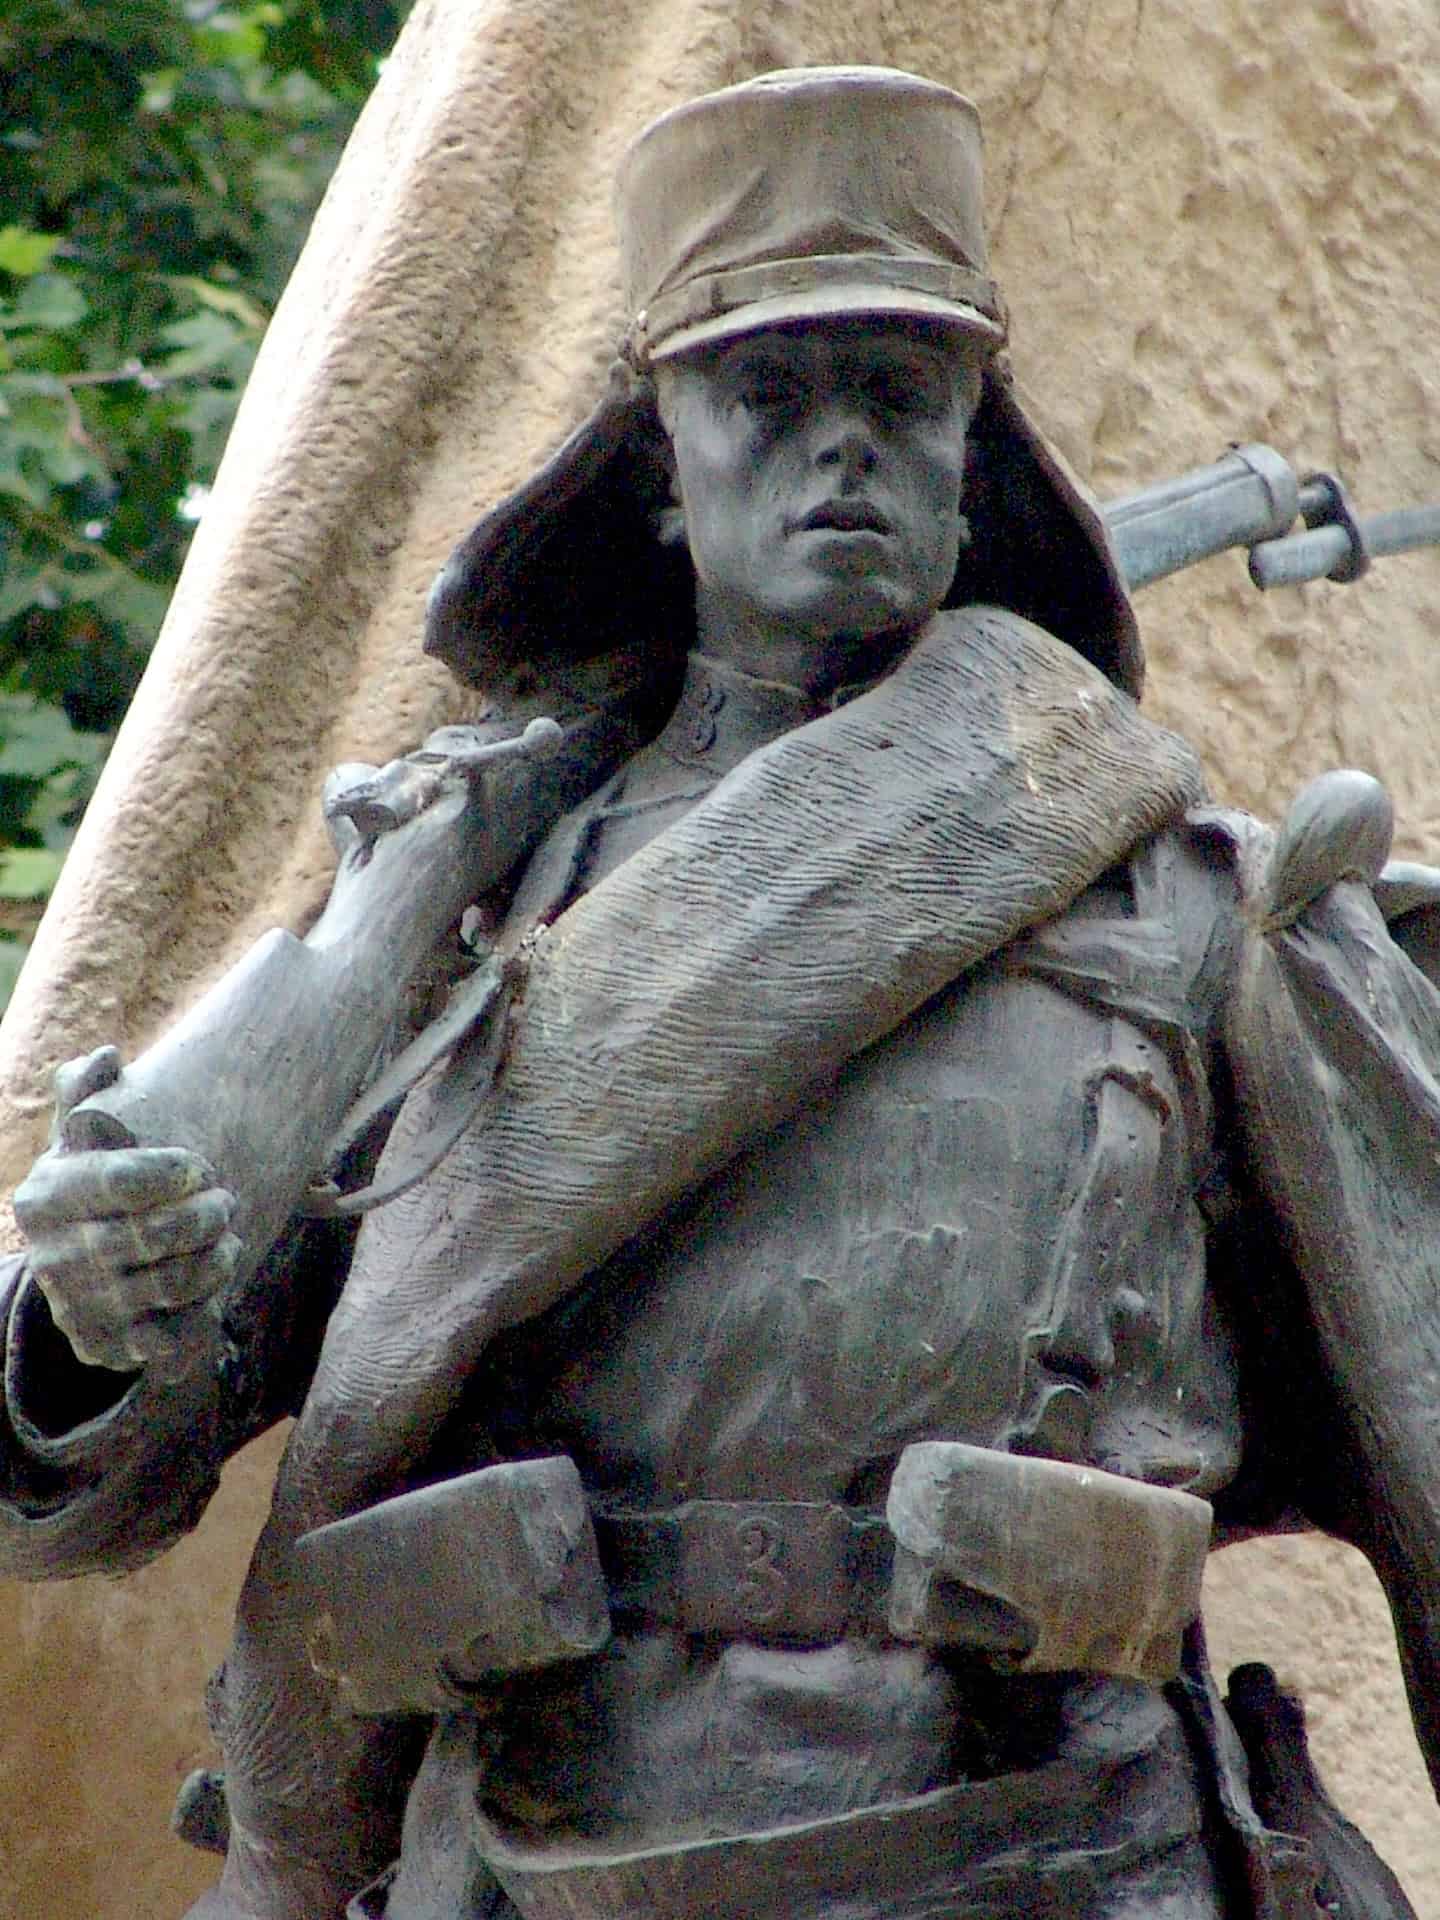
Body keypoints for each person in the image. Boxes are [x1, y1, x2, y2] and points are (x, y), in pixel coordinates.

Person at [0, 66, 1435, 1920]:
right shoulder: (446, 930)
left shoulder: (1211, 911)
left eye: (903, 399)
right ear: (660, 472)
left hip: (1067, 1867)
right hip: (531, 1868)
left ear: (969, 457)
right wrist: (92, 1320)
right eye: (767, 394)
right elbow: (90, 1479)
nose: (841, 442)